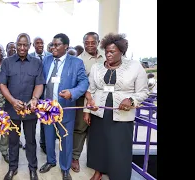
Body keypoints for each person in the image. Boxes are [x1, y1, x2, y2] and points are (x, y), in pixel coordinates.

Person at [85, 33, 149, 180]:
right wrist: (87, 110)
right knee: (98, 143)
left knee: (118, 146)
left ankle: (118, 174)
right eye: (106, 51)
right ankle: (99, 170)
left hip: (122, 114)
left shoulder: (135, 66)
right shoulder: (96, 67)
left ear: (121, 51)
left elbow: (144, 91)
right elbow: (91, 90)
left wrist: (131, 99)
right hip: (99, 112)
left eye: (112, 52)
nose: (108, 55)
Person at [39, 33, 88, 180]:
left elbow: (84, 83)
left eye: (57, 45)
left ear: (66, 46)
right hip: (47, 108)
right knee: (48, 137)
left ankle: (65, 168)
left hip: (65, 108)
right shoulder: (46, 60)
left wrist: (72, 92)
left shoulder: (76, 63)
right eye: (52, 45)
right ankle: (50, 161)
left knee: (66, 139)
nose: (53, 47)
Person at [0, 33, 45, 180]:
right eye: (20, 44)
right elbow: (2, 84)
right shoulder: (7, 62)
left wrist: (35, 99)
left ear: (29, 45)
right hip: (12, 109)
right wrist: (12, 101)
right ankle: (13, 168)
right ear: (16, 45)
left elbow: (39, 84)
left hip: (30, 110)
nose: (22, 47)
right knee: (13, 141)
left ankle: (33, 169)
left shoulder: (36, 63)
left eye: (25, 45)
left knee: (31, 140)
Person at [72, 32, 105, 173]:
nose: (90, 45)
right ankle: (75, 158)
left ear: (98, 42)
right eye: (87, 42)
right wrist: (88, 98)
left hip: (101, 99)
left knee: (97, 130)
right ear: (83, 43)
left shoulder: (105, 56)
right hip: (83, 98)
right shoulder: (79, 60)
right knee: (80, 128)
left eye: (93, 42)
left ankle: (95, 160)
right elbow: (81, 82)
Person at [29, 36, 52, 153]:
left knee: (45, 119)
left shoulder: (50, 56)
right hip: (34, 94)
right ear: (33, 45)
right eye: (37, 43)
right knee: (32, 121)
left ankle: (44, 144)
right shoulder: (30, 58)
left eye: (41, 43)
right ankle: (31, 143)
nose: (40, 45)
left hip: (47, 93)